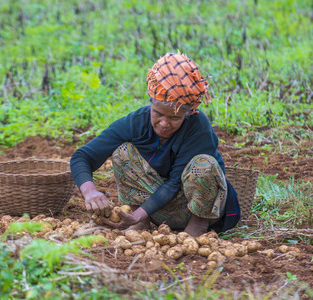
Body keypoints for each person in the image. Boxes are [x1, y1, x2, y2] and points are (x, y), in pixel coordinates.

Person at [70, 52, 240, 237]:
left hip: (197, 208)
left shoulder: (199, 128)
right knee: (122, 152)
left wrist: (139, 213)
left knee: (204, 165)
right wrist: (90, 192)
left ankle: (198, 225)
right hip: (157, 209)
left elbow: (174, 184)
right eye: (158, 113)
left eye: (174, 117)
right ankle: (140, 222)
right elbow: (82, 156)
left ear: (188, 112)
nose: (164, 123)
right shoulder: (137, 121)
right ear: (151, 104)